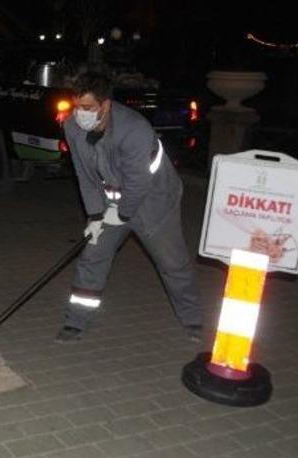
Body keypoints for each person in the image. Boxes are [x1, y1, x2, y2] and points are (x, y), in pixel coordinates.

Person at [56, 72, 203, 342]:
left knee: (172, 262)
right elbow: (84, 175)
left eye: (87, 108)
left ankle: (192, 319)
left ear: (106, 105)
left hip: (154, 200)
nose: (80, 114)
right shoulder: (72, 127)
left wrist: (120, 214)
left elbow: (138, 184)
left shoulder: (134, 129)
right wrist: (96, 215)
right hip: (111, 199)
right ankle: (76, 321)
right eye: (77, 106)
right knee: (92, 256)